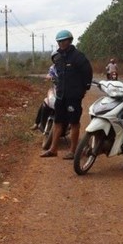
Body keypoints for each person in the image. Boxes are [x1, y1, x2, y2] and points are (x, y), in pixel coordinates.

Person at [40, 30, 93, 159]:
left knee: (74, 122)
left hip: (73, 96)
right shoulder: (58, 57)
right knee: (58, 122)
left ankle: (73, 151)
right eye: (59, 41)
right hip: (60, 95)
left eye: (64, 41)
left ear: (70, 40)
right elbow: (56, 74)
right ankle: (53, 149)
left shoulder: (78, 56)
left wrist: (84, 89)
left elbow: (88, 72)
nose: (61, 43)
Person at [32, 51, 60, 130]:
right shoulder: (53, 68)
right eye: (55, 58)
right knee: (46, 102)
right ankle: (38, 123)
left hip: (67, 90)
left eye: (59, 57)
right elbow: (49, 75)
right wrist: (50, 77)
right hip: (55, 89)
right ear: (53, 59)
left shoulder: (67, 66)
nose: (57, 59)